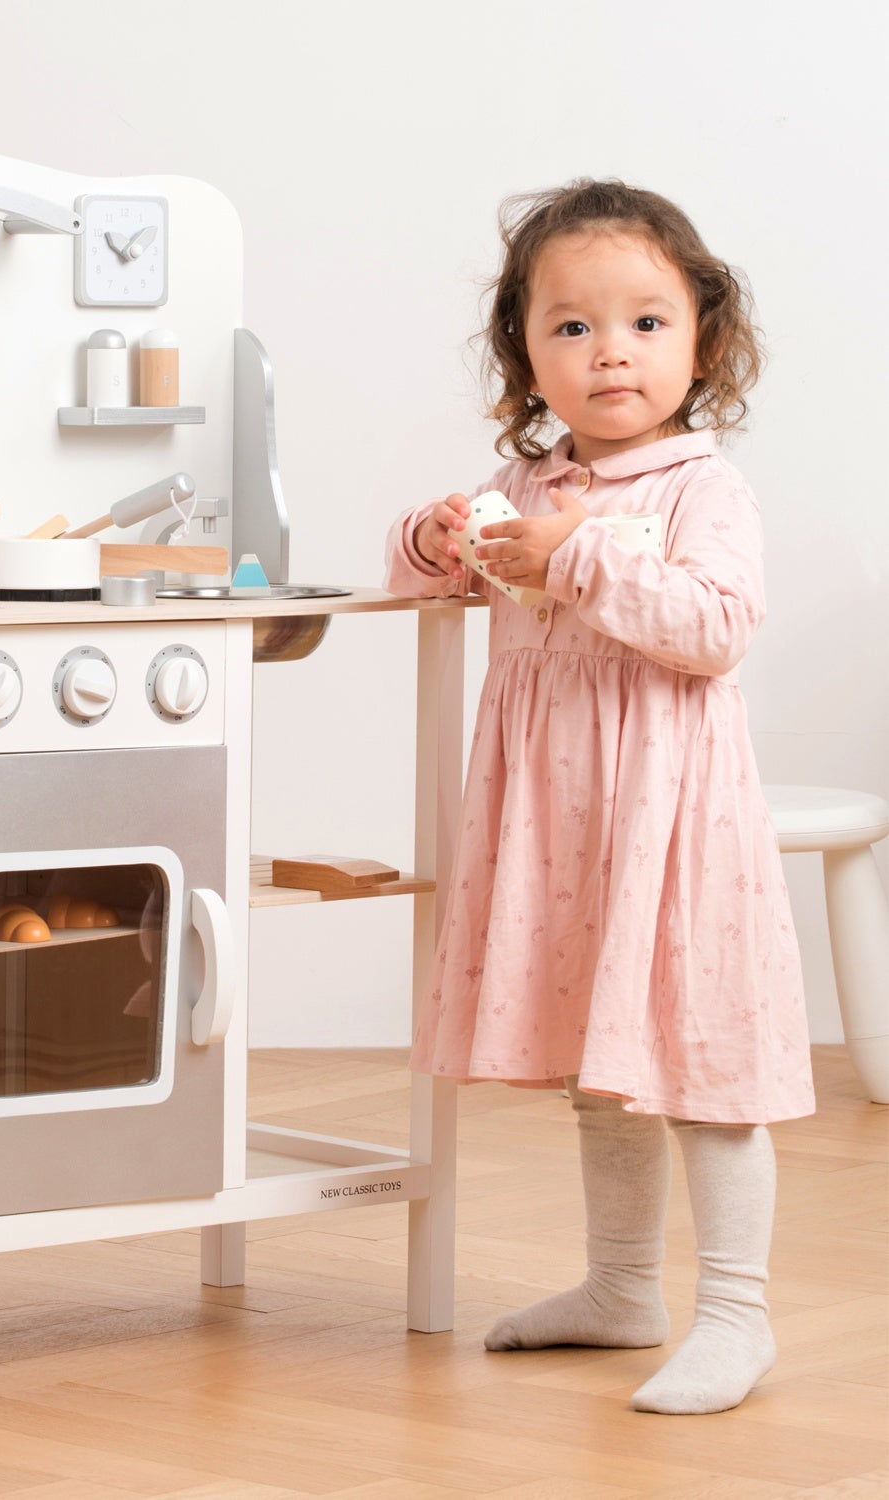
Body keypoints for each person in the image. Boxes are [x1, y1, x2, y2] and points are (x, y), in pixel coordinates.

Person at [383, 179, 814, 1415]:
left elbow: (715, 628)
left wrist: (576, 563)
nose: (609, 351)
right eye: (570, 327)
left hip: (671, 822)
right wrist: (445, 535)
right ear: (525, 352)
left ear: (703, 342)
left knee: (701, 1060)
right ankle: (622, 1286)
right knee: (602, 1058)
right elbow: (423, 576)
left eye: (644, 323)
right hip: (563, 828)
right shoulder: (524, 490)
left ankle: (739, 1309)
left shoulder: (699, 490)